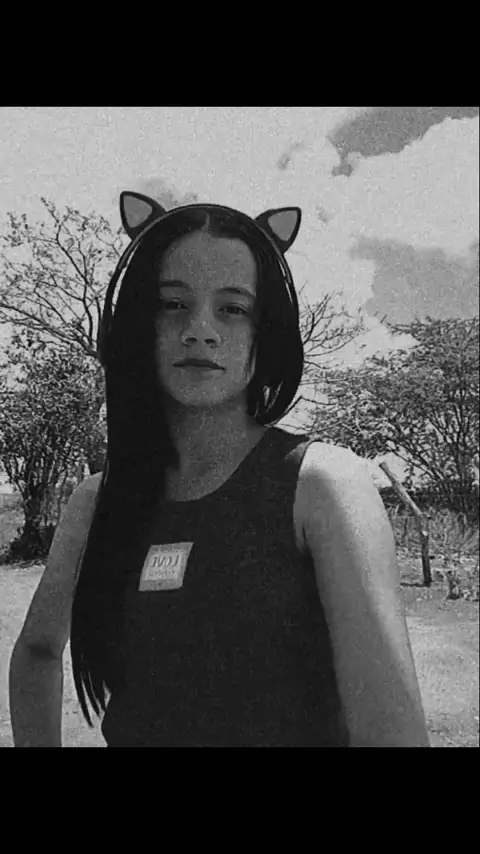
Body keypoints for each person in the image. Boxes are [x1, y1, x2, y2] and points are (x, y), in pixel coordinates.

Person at [9, 191, 430, 747]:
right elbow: (38, 650)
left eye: (233, 308)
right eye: (172, 303)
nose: (200, 329)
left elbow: (392, 736)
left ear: (264, 331)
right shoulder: (96, 502)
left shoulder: (323, 487)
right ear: (138, 323)